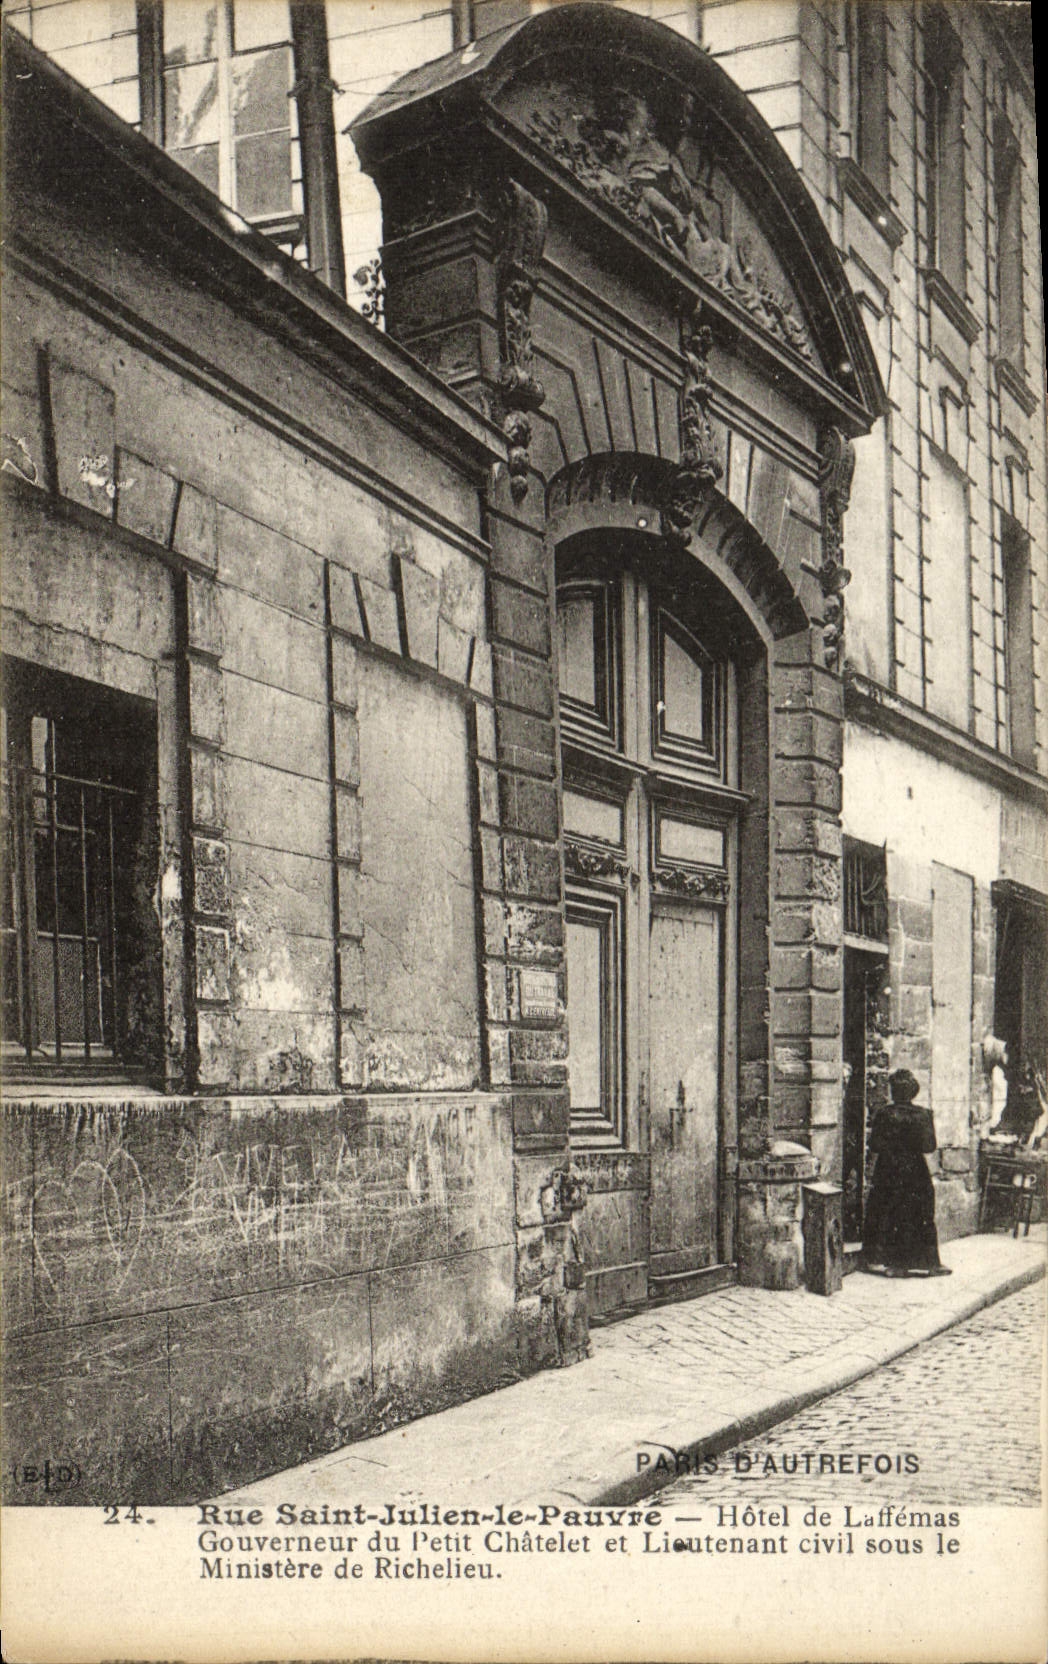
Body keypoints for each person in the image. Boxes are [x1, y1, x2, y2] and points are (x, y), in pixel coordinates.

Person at [862, 1069, 952, 1277]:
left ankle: (889, 1262)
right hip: (915, 1170)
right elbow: (929, 1146)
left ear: (893, 1091)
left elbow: (874, 1145)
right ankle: (928, 1263)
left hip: (889, 1169)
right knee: (920, 1213)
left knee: (888, 1212)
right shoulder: (923, 1114)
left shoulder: (884, 1114)